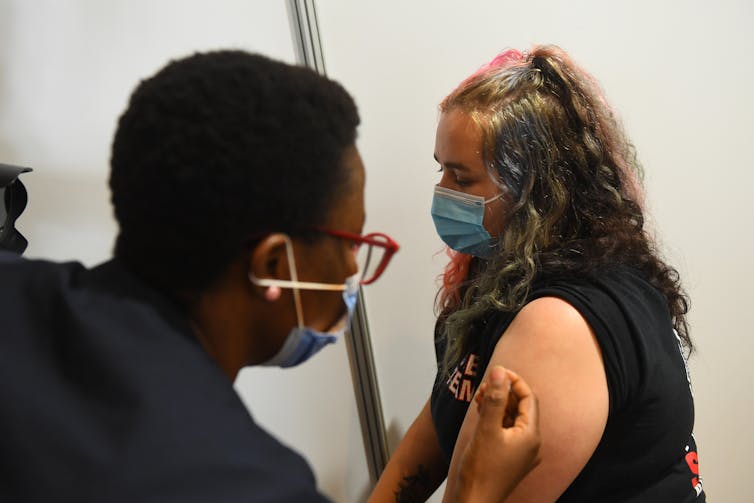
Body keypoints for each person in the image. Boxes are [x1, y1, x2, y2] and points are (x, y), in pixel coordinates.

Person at [0, 50, 540, 502]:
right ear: (275, 265)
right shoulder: (241, 485)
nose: (354, 271)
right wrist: (474, 491)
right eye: (350, 244)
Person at [369, 45, 705, 502]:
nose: (441, 192)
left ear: (532, 187)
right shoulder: (502, 271)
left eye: (462, 178)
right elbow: (448, 407)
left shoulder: (557, 328)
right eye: (440, 170)